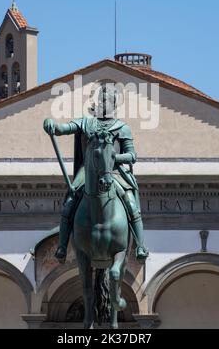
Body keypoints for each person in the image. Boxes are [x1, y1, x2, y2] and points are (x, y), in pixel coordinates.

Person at [43, 83, 149, 263]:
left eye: (107, 99)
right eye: (101, 98)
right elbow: (65, 129)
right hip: (89, 172)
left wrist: (114, 158)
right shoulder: (86, 122)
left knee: (130, 203)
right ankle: (62, 245)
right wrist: (52, 125)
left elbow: (132, 155)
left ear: (114, 103)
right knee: (70, 202)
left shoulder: (122, 127)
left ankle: (140, 245)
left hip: (113, 172)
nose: (103, 102)